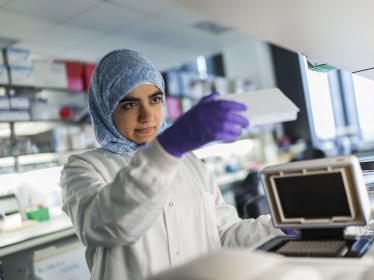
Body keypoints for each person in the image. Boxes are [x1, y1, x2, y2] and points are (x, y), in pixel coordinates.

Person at [60, 49, 283, 280]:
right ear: (105, 108)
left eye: (155, 99)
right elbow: (108, 227)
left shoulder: (189, 161)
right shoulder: (83, 167)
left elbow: (225, 234)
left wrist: (277, 227)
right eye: (129, 105)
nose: (147, 116)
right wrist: (168, 148)